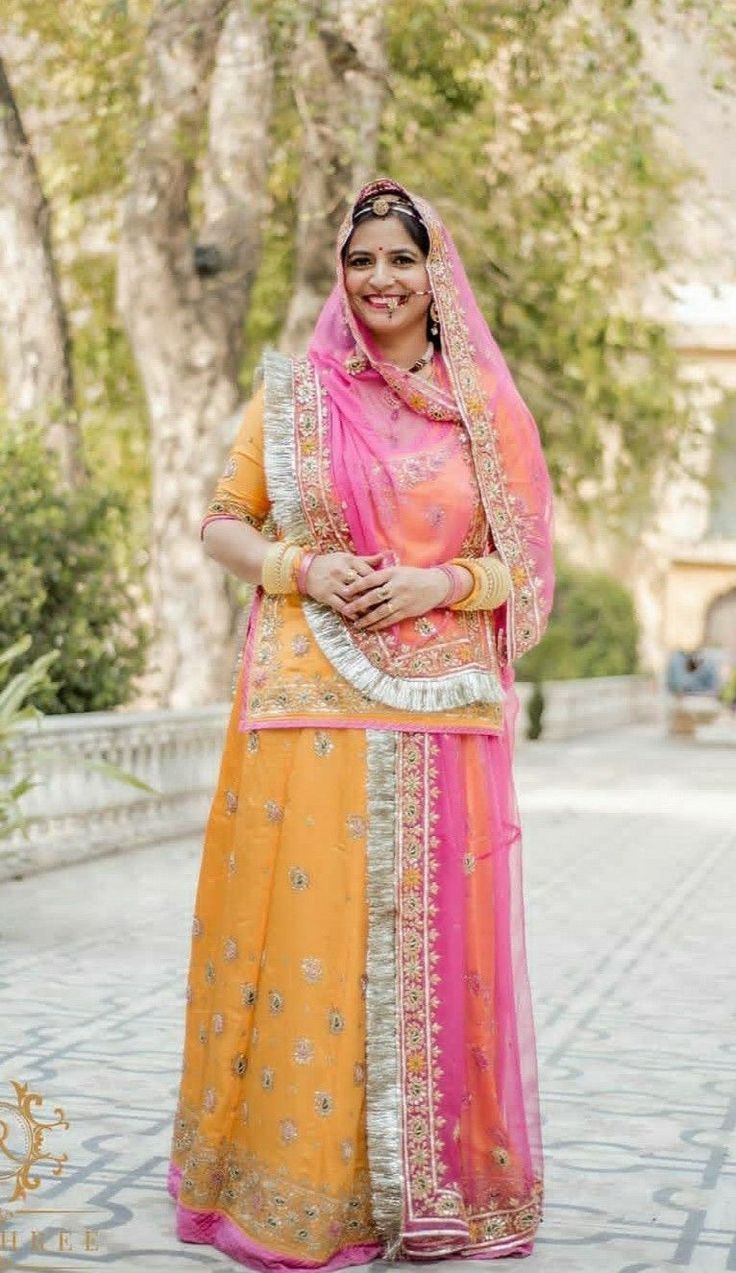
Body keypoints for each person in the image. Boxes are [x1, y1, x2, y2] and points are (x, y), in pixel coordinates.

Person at [167, 177, 555, 1268]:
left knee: (440, 943)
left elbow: (525, 577)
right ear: (341, 275)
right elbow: (220, 523)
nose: (379, 278)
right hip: (308, 711)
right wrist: (303, 567)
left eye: (400, 258)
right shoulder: (293, 396)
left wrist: (440, 588)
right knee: (312, 943)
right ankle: (304, 1190)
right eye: (361, 260)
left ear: (437, 274)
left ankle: (435, 1194)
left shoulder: (485, 411)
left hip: (438, 713)